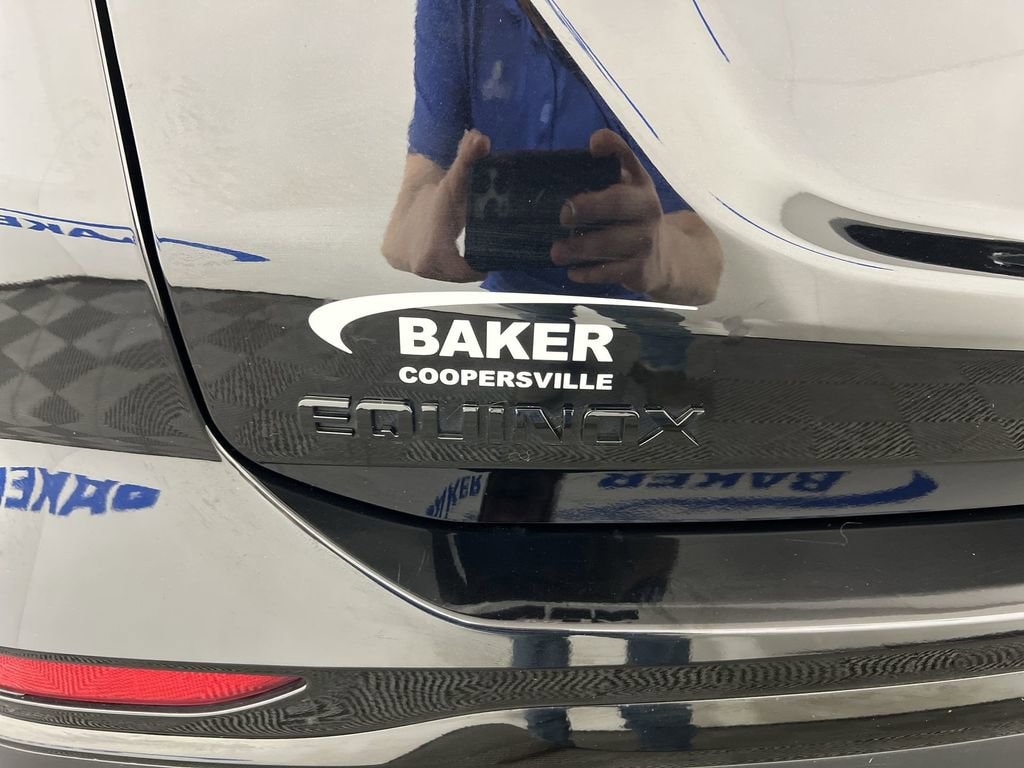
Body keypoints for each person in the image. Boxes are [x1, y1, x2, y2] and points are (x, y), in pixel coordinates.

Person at [382, 0, 722, 305]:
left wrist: (662, 256)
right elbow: (415, 196)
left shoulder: (675, 20)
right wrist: (418, 231)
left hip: (622, 314)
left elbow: (708, 259)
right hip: (554, 310)